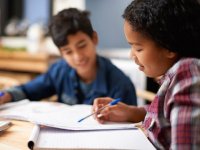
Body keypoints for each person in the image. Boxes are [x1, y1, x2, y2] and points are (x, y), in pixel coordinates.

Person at [92, 0, 200, 149]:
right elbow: (166, 113)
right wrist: (131, 112)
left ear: (169, 46)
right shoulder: (176, 76)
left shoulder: (187, 74)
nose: (132, 55)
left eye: (138, 48)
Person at [0, 8, 137, 106]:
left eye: (82, 45)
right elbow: (27, 91)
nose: (77, 57)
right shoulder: (59, 71)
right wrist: (7, 95)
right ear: (61, 53)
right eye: (68, 51)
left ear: (94, 38)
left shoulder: (121, 85)